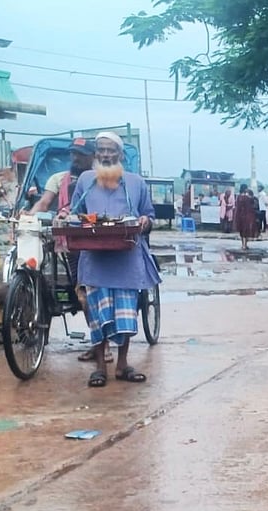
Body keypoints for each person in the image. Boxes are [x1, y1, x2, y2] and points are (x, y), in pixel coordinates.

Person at [64, 132, 161, 387]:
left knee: (126, 315)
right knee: (98, 316)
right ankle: (100, 368)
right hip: (95, 261)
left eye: (111, 150)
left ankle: (122, 364)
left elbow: (149, 215)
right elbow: (75, 213)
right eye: (101, 150)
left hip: (127, 260)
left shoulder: (136, 182)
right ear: (96, 154)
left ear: (120, 154)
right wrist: (66, 218)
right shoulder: (85, 180)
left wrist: (145, 221)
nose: (106, 155)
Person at [29, 139, 103, 362]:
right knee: (83, 293)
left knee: (91, 293)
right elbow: (44, 203)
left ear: (93, 157)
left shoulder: (102, 179)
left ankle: (102, 345)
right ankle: (99, 343)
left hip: (98, 242)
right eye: (73, 154)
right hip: (72, 243)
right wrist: (28, 217)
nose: (75, 158)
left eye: (81, 154)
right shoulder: (59, 179)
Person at [234, 186, 259, 250]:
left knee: (242, 230)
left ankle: (243, 244)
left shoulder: (238, 197)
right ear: (245, 189)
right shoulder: (247, 198)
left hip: (239, 215)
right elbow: (251, 205)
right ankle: (245, 245)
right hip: (246, 216)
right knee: (246, 230)